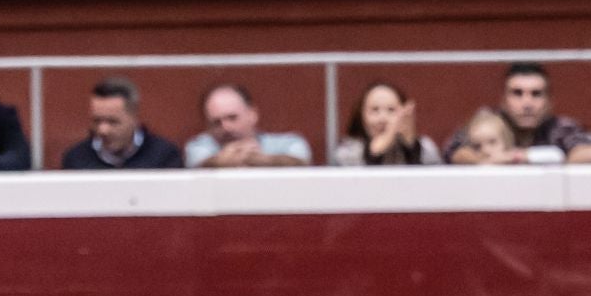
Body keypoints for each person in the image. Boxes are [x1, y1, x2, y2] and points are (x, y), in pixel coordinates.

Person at [444, 63, 591, 165]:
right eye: (517, 93)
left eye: (536, 94)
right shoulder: (488, 121)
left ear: (549, 102)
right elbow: (456, 152)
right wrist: (487, 161)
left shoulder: (561, 127)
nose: (527, 104)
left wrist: (530, 158)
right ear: (503, 101)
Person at [60, 77, 182, 170]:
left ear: (134, 117)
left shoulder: (164, 157)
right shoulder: (76, 159)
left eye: (113, 121)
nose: (103, 130)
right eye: (97, 121)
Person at [183, 84, 312, 168]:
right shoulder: (199, 146)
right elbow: (198, 165)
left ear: (253, 114)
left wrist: (258, 159)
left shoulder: (288, 142)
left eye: (232, 118)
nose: (226, 127)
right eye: (217, 122)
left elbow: (301, 161)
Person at [331, 82, 440, 166]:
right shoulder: (348, 150)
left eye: (391, 110)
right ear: (361, 115)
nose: (382, 119)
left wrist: (412, 148)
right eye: (375, 110)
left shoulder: (425, 147)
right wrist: (378, 149)